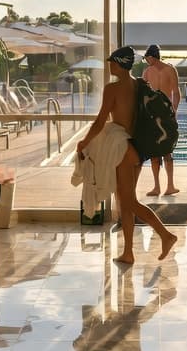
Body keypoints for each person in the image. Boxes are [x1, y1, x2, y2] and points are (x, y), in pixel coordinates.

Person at [76, 46, 178, 265]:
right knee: (125, 200)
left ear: (119, 63)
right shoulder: (137, 84)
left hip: (122, 148)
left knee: (129, 201)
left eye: (112, 61)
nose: (109, 64)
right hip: (136, 148)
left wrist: (84, 142)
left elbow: (101, 120)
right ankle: (128, 252)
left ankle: (165, 235)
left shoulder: (112, 89)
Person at [141, 44, 180, 196]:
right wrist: (174, 109)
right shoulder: (150, 71)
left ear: (151, 57)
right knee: (157, 152)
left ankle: (168, 186)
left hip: (161, 114)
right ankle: (159, 186)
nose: (146, 61)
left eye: (146, 58)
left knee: (165, 151)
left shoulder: (164, 70)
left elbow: (176, 93)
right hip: (158, 114)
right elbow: (176, 94)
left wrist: (174, 110)